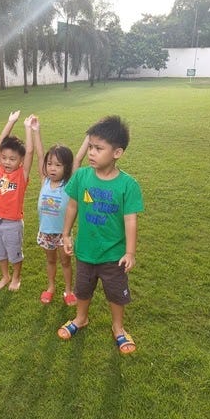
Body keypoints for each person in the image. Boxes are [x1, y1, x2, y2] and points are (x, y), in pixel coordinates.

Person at [57, 115, 144, 354]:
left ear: (117, 153)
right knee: (82, 289)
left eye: (98, 148)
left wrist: (130, 252)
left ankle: (118, 327)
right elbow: (73, 206)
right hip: (85, 251)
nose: (91, 153)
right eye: (90, 147)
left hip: (113, 255)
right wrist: (66, 234)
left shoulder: (128, 185)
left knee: (116, 293)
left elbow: (130, 219)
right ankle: (80, 318)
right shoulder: (82, 176)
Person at [32, 118, 89, 305]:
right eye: (50, 164)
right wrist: (36, 130)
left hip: (62, 234)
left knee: (65, 262)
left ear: (66, 167)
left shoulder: (69, 183)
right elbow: (40, 155)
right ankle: (51, 287)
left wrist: (89, 137)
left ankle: (68, 289)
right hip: (45, 232)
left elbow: (79, 159)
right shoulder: (45, 180)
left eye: (57, 165)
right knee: (50, 261)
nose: (52, 168)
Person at [0, 111, 34, 291]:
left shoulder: (21, 175)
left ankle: (16, 277)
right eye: (4, 158)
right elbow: (0, 143)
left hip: (12, 222)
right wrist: (10, 121)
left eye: (12, 159)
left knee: (14, 254)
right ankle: (5, 276)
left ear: (20, 161)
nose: (7, 162)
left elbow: (30, 151)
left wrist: (27, 128)